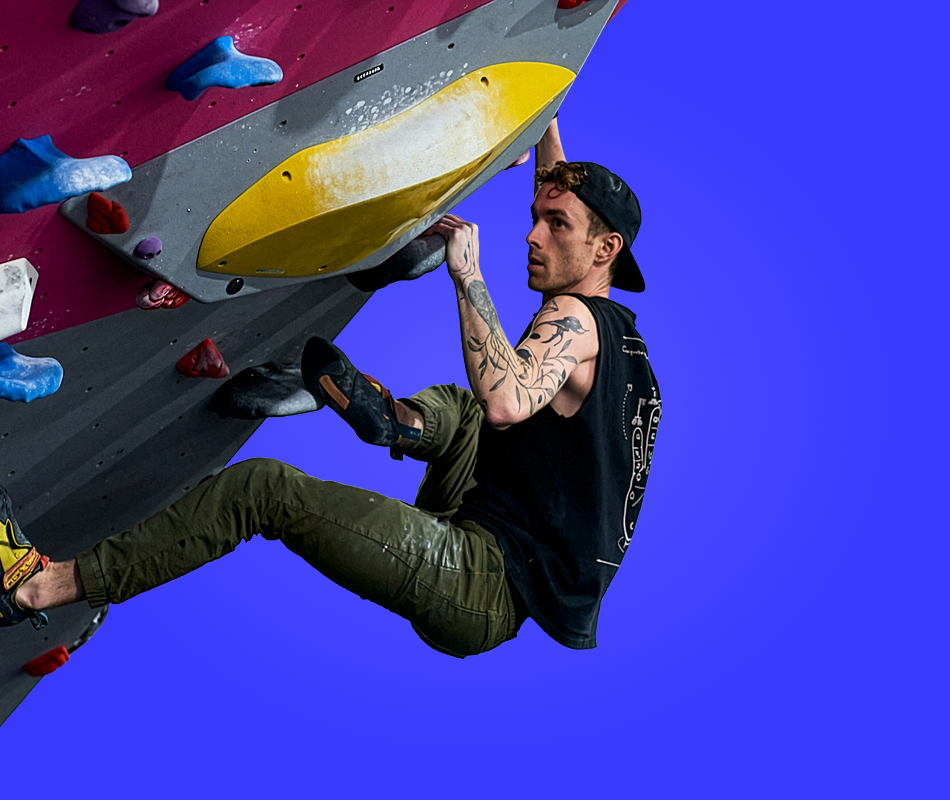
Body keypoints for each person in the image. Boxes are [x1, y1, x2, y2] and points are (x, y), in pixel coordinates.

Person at [1, 118, 661, 656]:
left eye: (557, 226)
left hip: (477, 579)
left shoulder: (574, 318)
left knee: (262, 490)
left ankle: (37, 586)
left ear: (604, 250)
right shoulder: (632, 362)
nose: (533, 233)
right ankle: (396, 420)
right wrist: (547, 118)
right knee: (465, 418)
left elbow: (507, 399)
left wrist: (467, 277)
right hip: (499, 556)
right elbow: (559, 188)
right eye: (539, 215)